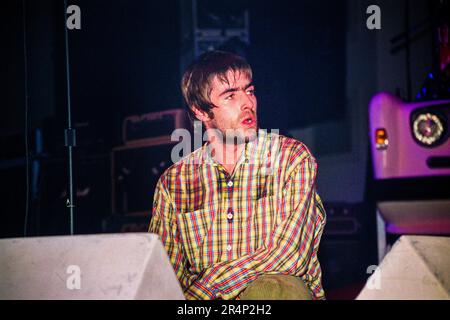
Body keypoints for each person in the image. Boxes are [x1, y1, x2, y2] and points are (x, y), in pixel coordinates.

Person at [148, 50, 326, 300]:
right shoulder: (174, 182)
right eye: (231, 96)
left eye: (250, 91)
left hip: (266, 295)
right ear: (200, 111)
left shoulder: (290, 158)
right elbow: (165, 273)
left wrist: (207, 288)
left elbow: (290, 255)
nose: (248, 103)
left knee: (276, 288)